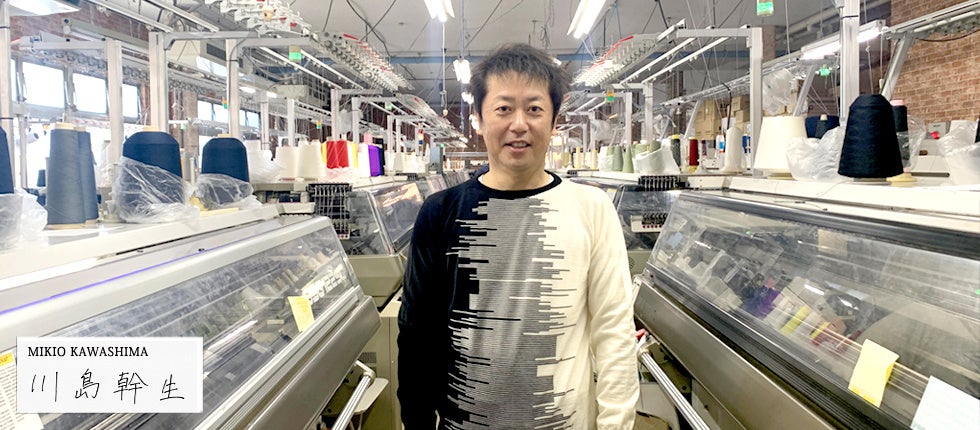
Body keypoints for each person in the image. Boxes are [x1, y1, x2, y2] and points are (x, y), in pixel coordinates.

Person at [398, 43, 639, 429]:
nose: (519, 124)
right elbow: (417, 335)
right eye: (504, 108)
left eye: (535, 109)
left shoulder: (592, 209)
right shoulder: (440, 212)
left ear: (554, 121)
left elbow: (613, 332)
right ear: (479, 119)